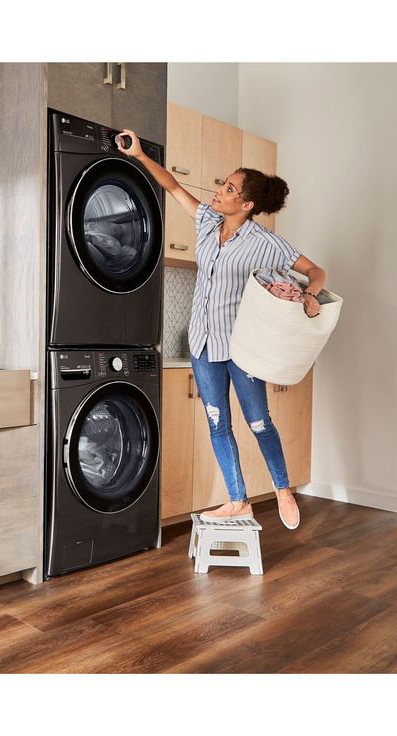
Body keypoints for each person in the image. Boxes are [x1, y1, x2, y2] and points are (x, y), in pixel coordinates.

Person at [117, 129, 327, 530]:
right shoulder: (208, 222)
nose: (220, 190)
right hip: (202, 343)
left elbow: (315, 271)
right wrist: (141, 156)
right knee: (218, 422)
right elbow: (173, 186)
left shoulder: (267, 244)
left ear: (246, 203)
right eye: (223, 183)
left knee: (259, 422)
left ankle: (282, 489)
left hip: (242, 349)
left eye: (229, 187)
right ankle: (238, 501)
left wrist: (311, 295)